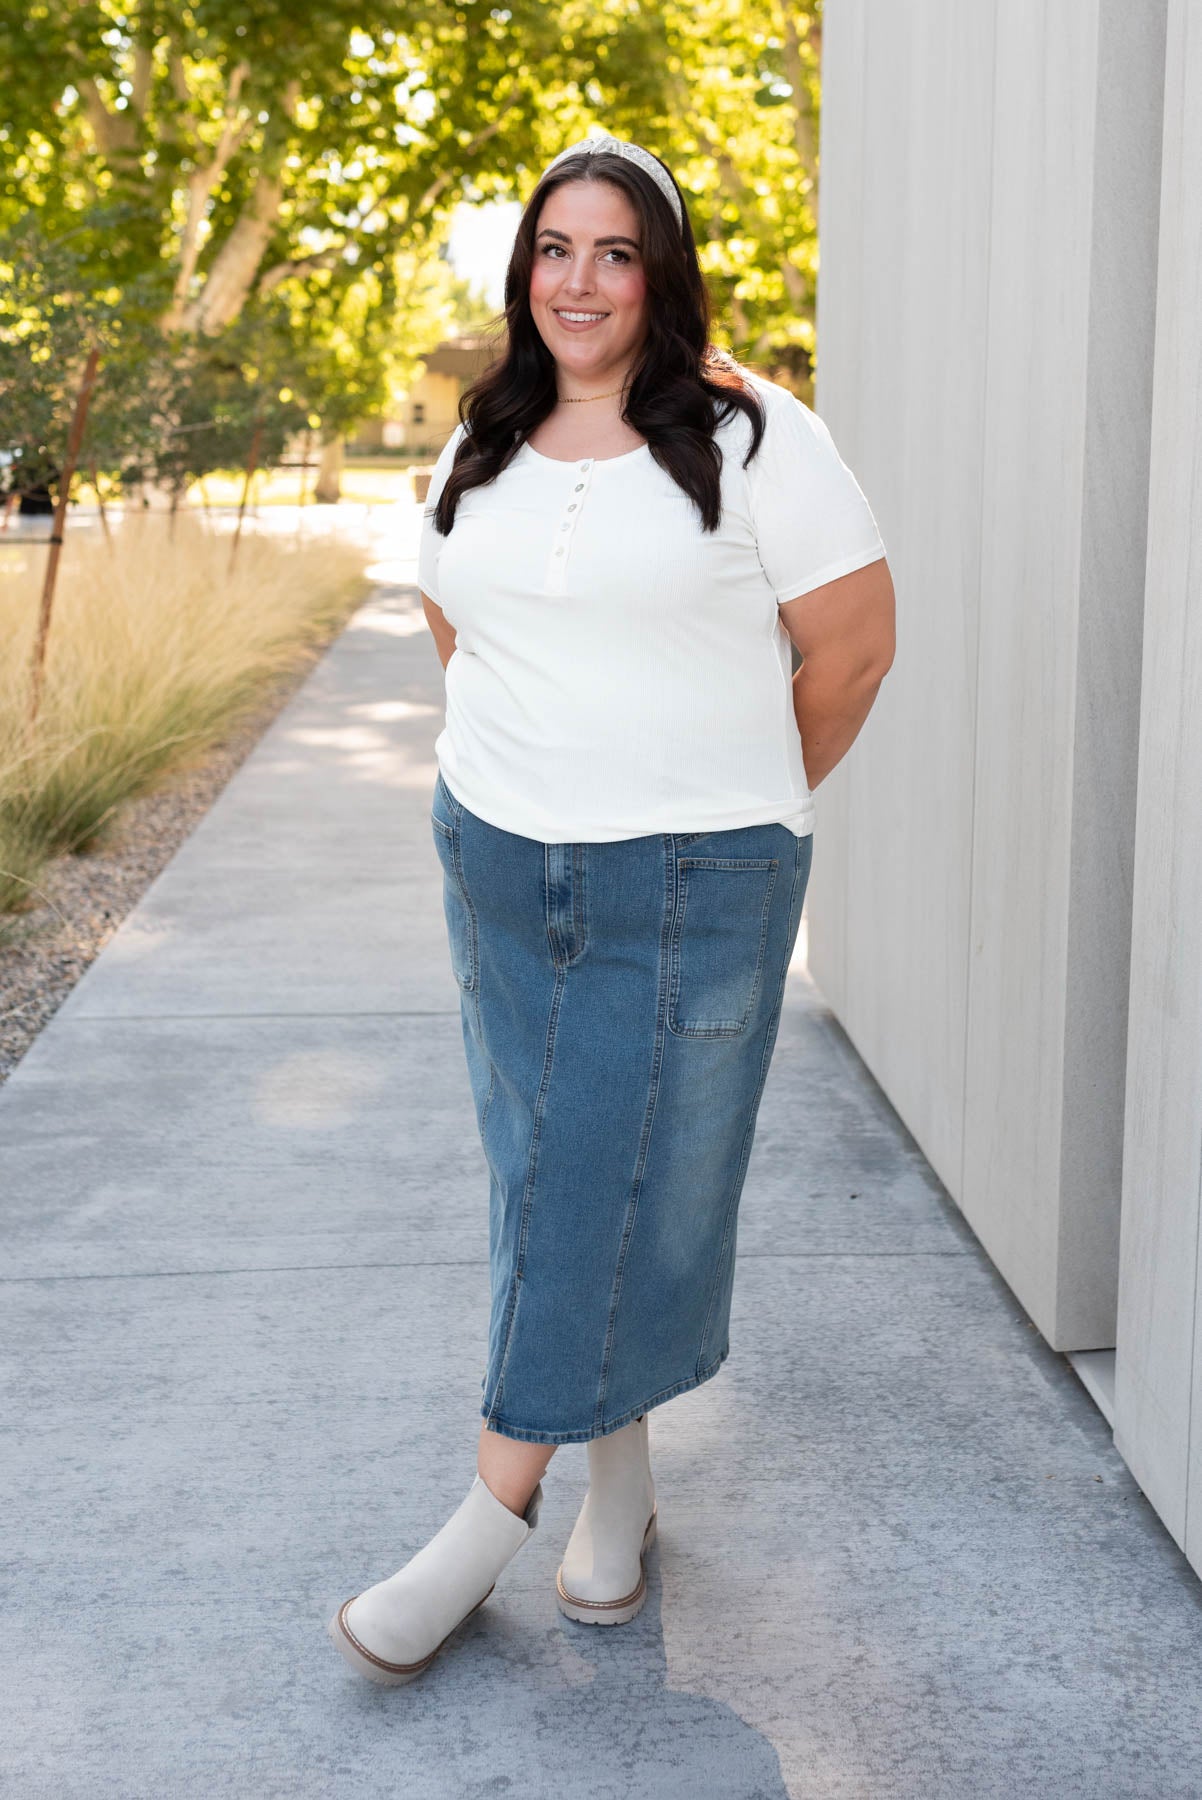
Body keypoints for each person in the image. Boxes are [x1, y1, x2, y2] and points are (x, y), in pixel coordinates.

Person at [328, 131, 895, 1686]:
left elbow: (847, 655)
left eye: (614, 252)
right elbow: (460, 626)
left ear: (660, 271)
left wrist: (723, 801)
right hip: (501, 862)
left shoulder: (755, 432)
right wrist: (528, 773)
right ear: (527, 272)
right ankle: (620, 1490)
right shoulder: (484, 437)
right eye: (554, 250)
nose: (578, 281)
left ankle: (484, 1521)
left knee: (606, 1180)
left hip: (690, 878)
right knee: (553, 1178)